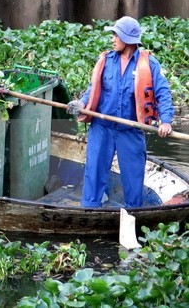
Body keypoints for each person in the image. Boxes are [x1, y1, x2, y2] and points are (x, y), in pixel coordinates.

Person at [66, 16, 174, 208]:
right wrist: (80, 102)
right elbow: (93, 89)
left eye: (116, 35)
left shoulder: (149, 64)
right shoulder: (106, 60)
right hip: (102, 127)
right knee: (94, 173)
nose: (112, 39)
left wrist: (165, 121)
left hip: (130, 130)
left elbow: (163, 93)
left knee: (133, 179)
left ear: (127, 39)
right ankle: (89, 211)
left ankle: (133, 216)